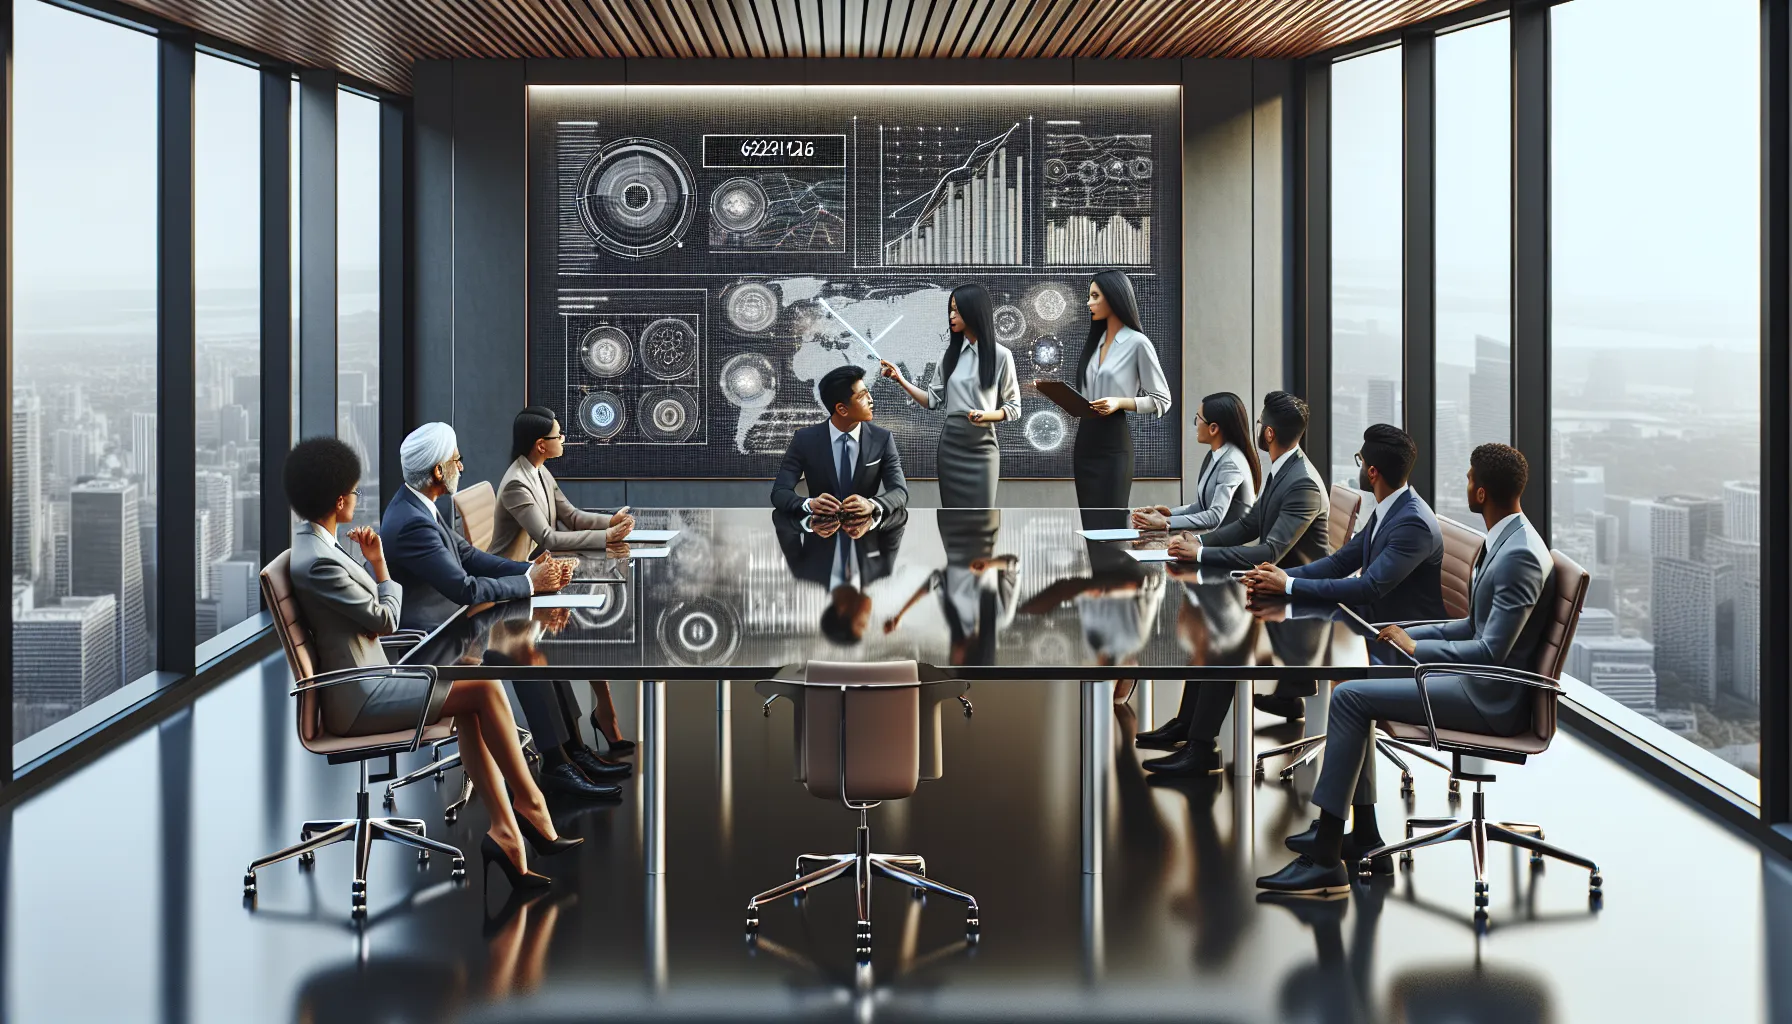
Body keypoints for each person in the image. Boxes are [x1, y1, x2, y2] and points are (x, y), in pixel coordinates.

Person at [1257, 443, 1556, 896]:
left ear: (1481, 493)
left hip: (1489, 699)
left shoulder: (1520, 556)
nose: (1466, 483)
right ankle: (1363, 836)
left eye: (1470, 477)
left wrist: (1418, 647)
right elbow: (1472, 625)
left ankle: (1324, 858)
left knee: (1350, 697)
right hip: (1472, 681)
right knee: (1357, 688)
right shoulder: (1507, 540)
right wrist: (1411, 634)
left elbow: (1491, 651)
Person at [282, 436, 580, 891]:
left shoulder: (319, 546)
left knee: (474, 689)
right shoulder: (321, 561)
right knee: (483, 687)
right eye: (355, 491)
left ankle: (508, 830)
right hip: (359, 697)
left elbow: (455, 566)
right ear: (339, 500)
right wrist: (380, 568)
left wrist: (527, 575)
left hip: (372, 675)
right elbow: (385, 619)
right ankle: (531, 807)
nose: (359, 498)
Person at [381, 422, 624, 803]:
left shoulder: (417, 505)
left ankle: (573, 750)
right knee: (521, 651)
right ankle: (557, 765)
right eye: (457, 460)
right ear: (437, 472)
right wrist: (531, 584)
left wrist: (530, 571)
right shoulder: (412, 523)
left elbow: (470, 557)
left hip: (456, 626)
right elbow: (464, 588)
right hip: (434, 645)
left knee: (539, 642)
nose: (462, 467)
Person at [1166, 390, 1330, 723]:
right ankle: (1185, 728)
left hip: (1297, 601)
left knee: (1221, 634)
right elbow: (1248, 524)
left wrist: (1202, 554)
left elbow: (1271, 551)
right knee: (1212, 621)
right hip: (1273, 587)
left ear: (1268, 433)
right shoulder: (1284, 468)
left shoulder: (1303, 483)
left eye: (1259, 423)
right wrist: (1199, 543)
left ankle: (1199, 741)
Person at [492, 405, 638, 756]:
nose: (564, 441)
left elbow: (570, 516)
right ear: (541, 444)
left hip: (539, 576)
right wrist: (605, 539)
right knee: (581, 633)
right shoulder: (516, 483)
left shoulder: (540, 471)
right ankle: (577, 743)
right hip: (513, 589)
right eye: (559, 436)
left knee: (589, 631)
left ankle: (595, 725)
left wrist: (609, 522)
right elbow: (548, 537)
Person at [1241, 423, 1445, 624]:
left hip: (1397, 632)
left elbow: (1368, 588)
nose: (1360, 468)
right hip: (1369, 617)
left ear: (1372, 472)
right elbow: (1339, 563)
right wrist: (1272, 577)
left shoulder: (1413, 524)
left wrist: (1288, 585)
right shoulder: (1391, 507)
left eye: (1360, 461)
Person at [879, 284, 1021, 508]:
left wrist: (986, 416)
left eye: (957, 310)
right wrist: (900, 379)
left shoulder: (1001, 355)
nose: (951, 316)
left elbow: (1014, 408)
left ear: (973, 311)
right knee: (952, 515)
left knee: (983, 516)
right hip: (951, 445)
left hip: (983, 445)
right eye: (950, 310)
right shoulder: (948, 356)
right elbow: (931, 401)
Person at [1059, 269, 1172, 509]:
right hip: (1084, 442)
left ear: (1114, 297)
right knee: (1089, 521)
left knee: (1111, 520)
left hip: (1113, 444)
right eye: (1089, 296)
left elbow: (1162, 399)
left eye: (1095, 296)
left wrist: (1120, 402)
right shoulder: (1095, 343)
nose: (1089, 303)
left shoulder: (1138, 343)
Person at [771, 364, 910, 519]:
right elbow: (780, 492)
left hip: (866, 529)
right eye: (862, 396)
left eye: (868, 393)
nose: (871, 400)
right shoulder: (804, 439)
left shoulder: (882, 439)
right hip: (820, 529)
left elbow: (899, 491)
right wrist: (808, 504)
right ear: (842, 409)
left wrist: (872, 505)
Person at [773, 506, 908, 645]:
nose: (868, 623)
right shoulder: (883, 569)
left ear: (842, 610)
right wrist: (873, 518)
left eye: (861, 624)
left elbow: (780, 518)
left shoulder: (803, 570)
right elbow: (901, 516)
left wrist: (809, 521)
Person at [1131, 391, 1261, 532]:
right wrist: (1168, 514)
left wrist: (1166, 522)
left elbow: (1214, 517)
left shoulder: (1231, 463)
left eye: (1197, 419)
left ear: (1213, 428)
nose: (1195, 425)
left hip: (1232, 542)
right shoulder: (1215, 455)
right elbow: (1202, 507)